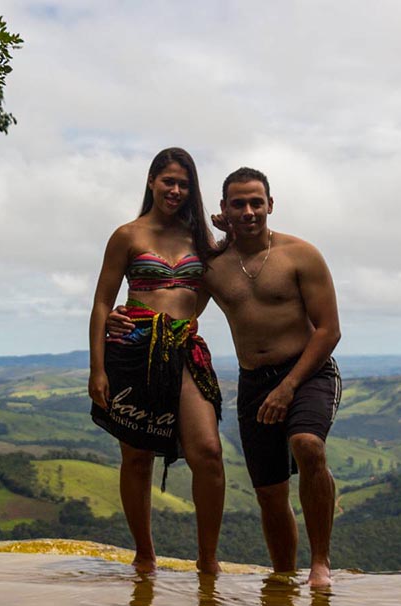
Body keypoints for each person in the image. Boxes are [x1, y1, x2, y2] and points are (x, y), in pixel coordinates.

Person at [110, 167, 342, 588]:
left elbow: (329, 330)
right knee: (270, 493)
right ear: (223, 209)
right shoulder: (214, 264)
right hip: (255, 381)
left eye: (257, 202)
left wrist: (289, 387)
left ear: (272, 204)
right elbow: (175, 300)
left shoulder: (301, 254)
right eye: (238, 204)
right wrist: (125, 315)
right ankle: (285, 576)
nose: (250, 211)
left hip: (306, 371)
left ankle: (321, 563)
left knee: (307, 445)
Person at [88, 147, 225, 575]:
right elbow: (100, 302)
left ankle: (207, 560)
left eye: (184, 184)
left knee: (207, 452)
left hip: (183, 349)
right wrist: (97, 368)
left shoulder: (201, 241)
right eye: (168, 180)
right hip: (131, 349)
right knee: (136, 456)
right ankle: (144, 555)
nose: (176, 190)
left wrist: (231, 232)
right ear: (151, 181)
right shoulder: (127, 235)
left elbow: (210, 287)